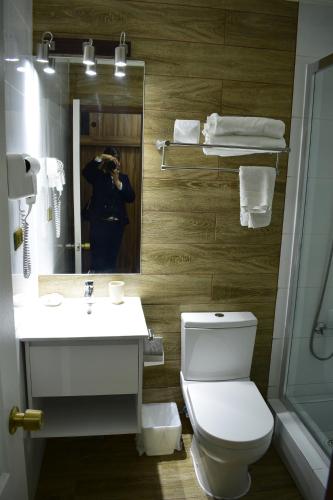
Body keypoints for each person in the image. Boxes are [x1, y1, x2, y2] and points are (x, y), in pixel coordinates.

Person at [82, 146, 135, 273]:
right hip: (99, 224)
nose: (113, 163)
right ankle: (97, 283)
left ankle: (109, 282)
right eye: (110, 160)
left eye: (115, 160)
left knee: (112, 258)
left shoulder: (124, 178)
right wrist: (100, 158)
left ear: (119, 162)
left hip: (116, 226)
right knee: (97, 258)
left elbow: (131, 197)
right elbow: (86, 172)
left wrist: (118, 183)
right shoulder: (97, 176)